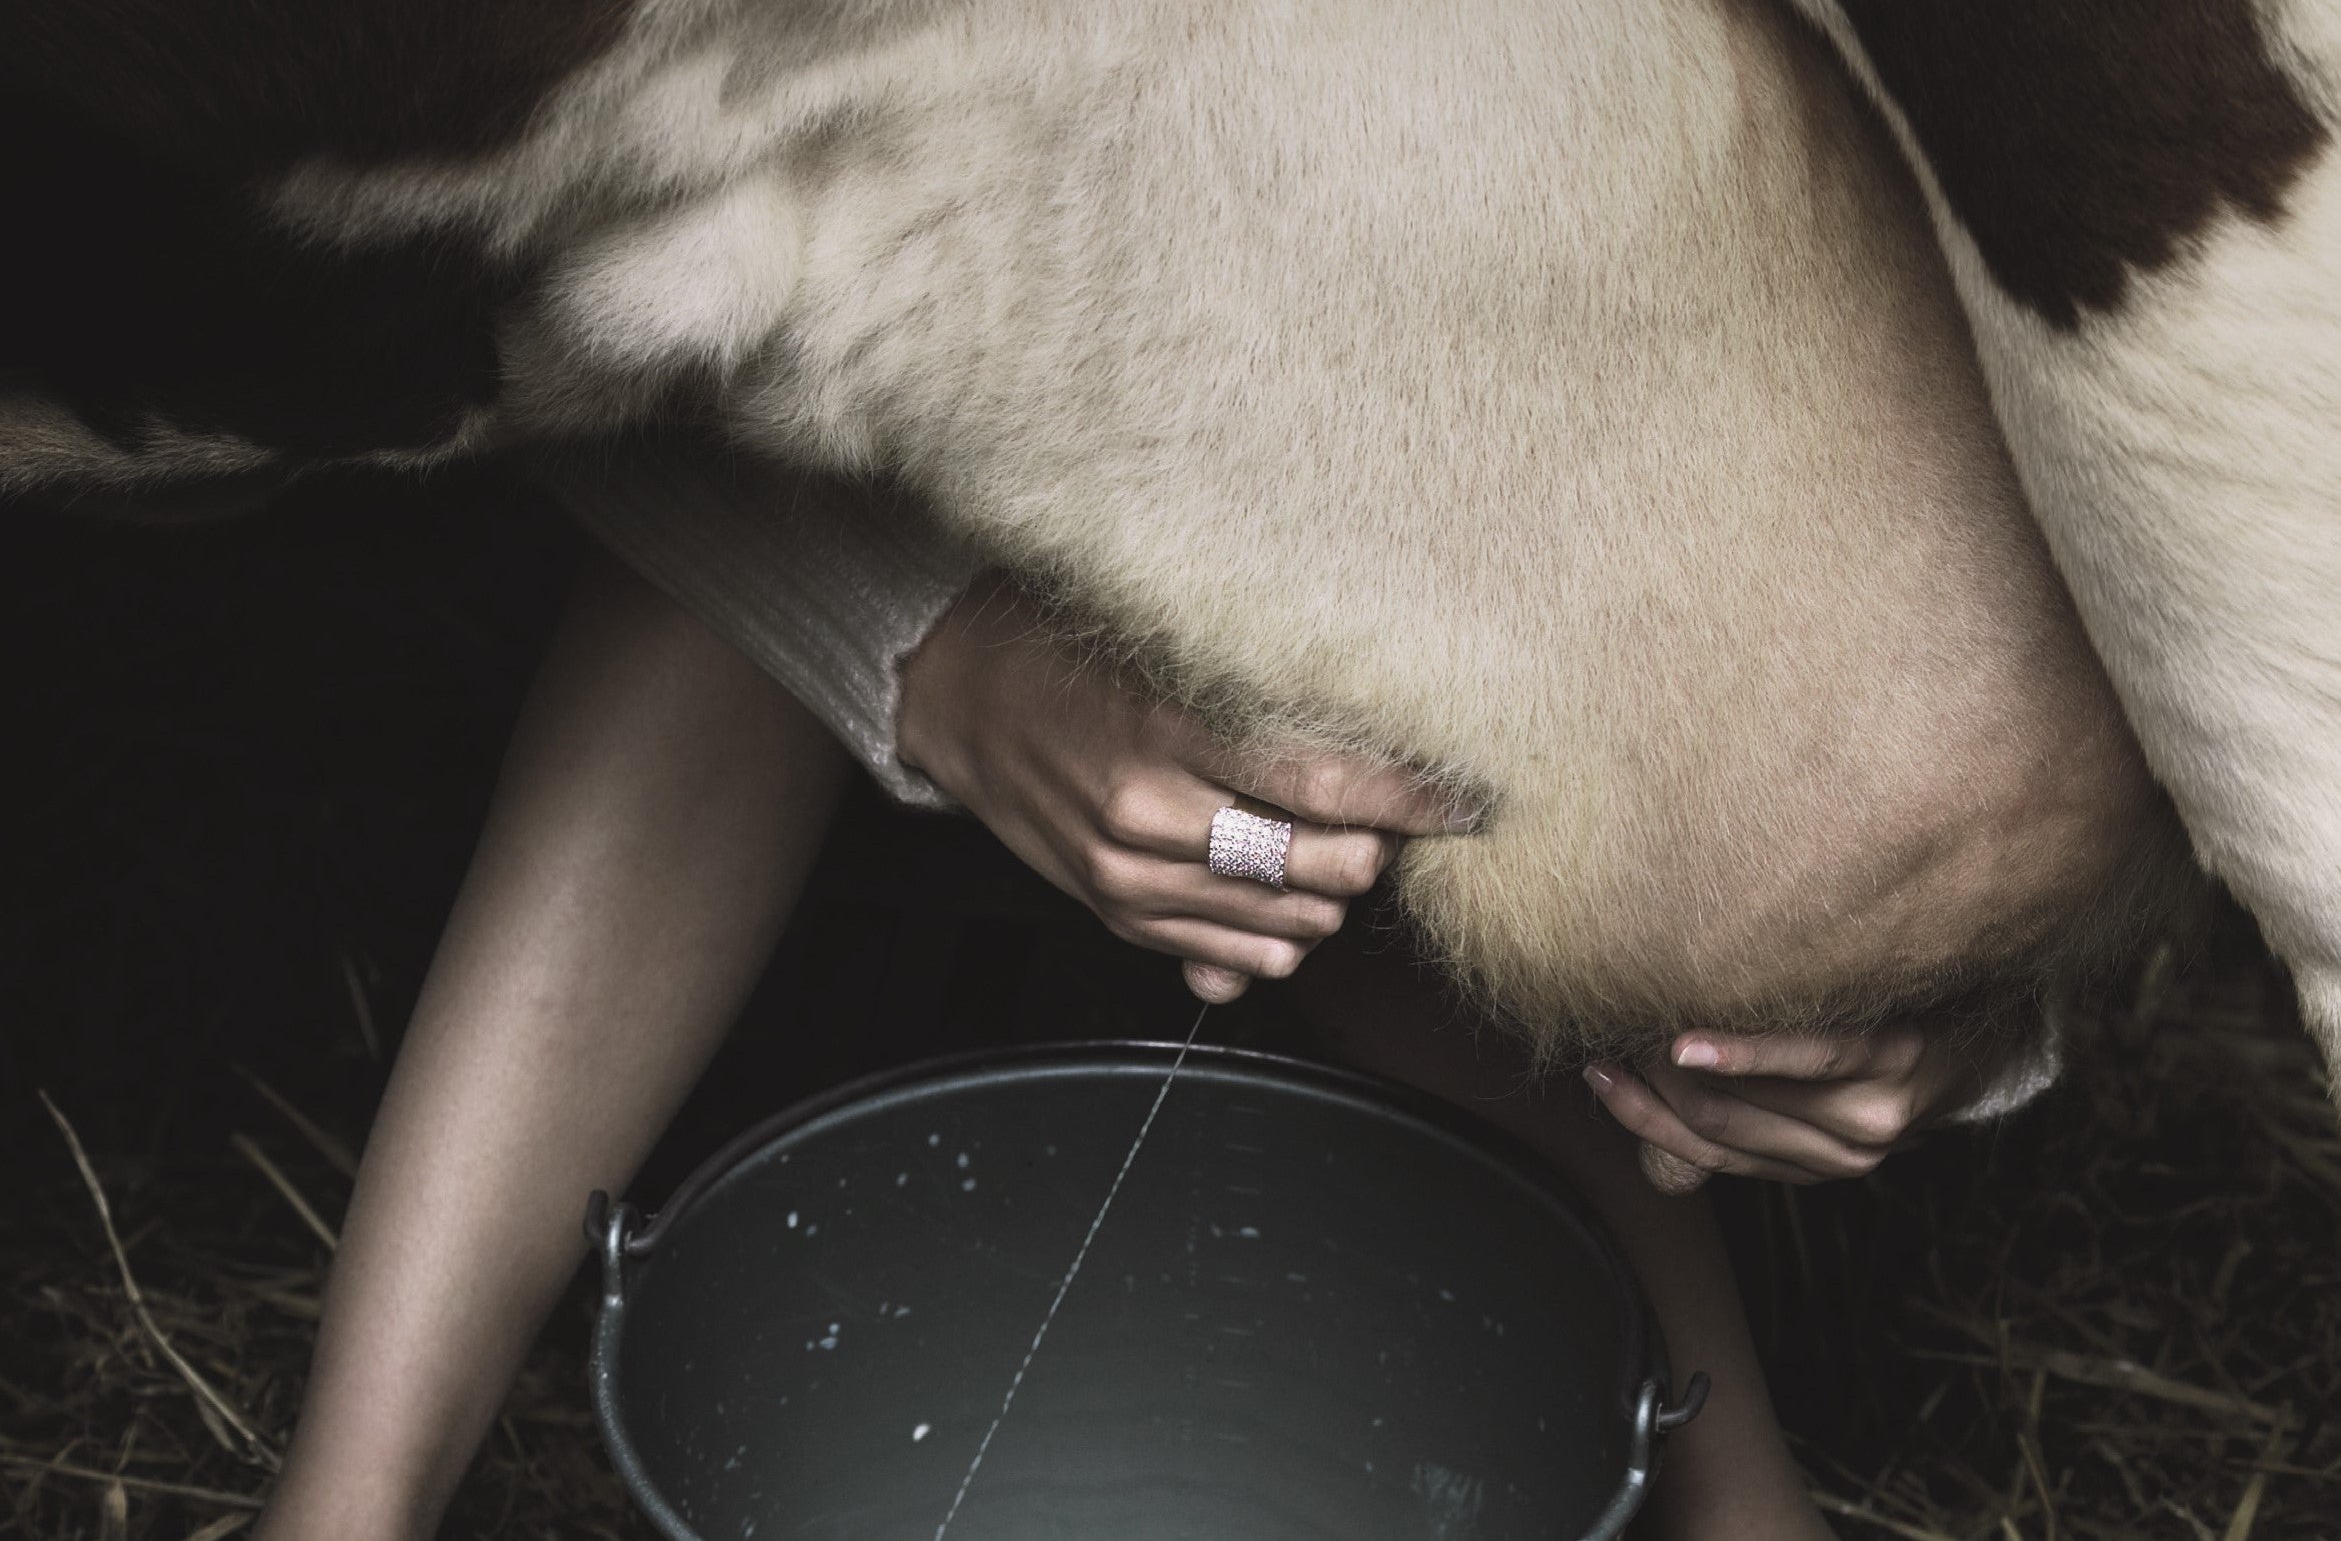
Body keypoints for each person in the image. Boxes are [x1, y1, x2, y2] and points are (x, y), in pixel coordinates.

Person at [250, 450, 2069, 1541]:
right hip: (794, 792)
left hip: (1413, 783)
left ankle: (1725, 1500)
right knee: (698, 620)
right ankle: (348, 1500)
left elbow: (2042, 600)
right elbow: (583, 364)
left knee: (1392, 802)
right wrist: (922, 652)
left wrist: (1937, 985)